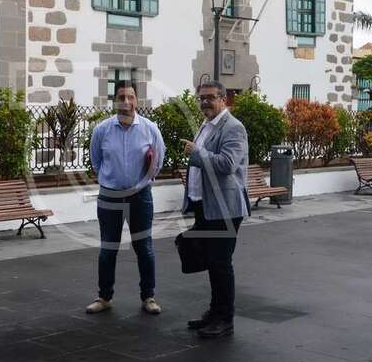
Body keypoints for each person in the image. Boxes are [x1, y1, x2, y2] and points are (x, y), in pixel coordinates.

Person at [86, 81, 166, 315]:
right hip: (110, 196)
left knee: (145, 248)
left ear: (137, 100)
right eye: (122, 97)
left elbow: (159, 160)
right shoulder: (102, 130)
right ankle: (104, 297)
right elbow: (96, 161)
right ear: (115, 101)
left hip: (140, 196)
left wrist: (142, 182)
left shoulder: (150, 129)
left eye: (131, 97)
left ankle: (148, 297)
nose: (126, 102)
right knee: (107, 249)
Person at [180, 81, 249, 338]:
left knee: (221, 263)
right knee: (211, 261)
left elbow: (227, 164)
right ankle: (214, 312)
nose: (205, 102)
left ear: (223, 99)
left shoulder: (233, 127)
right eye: (201, 98)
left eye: (210, 97)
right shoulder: (206, 126)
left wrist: (197, 154)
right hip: (205, 205)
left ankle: (225, 319)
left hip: (225, 209)